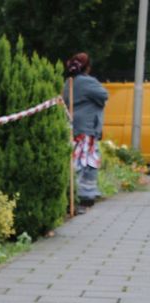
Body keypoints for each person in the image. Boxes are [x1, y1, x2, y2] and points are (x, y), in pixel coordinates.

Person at [63, 52, 109, 212]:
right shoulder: (88, 82)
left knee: (76, 161)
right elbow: (104, 95)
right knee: (86, 163)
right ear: (88, 67)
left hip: (73, 126)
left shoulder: (69, 82)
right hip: (86, 127)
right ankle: (84, 198)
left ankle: (79, 195)